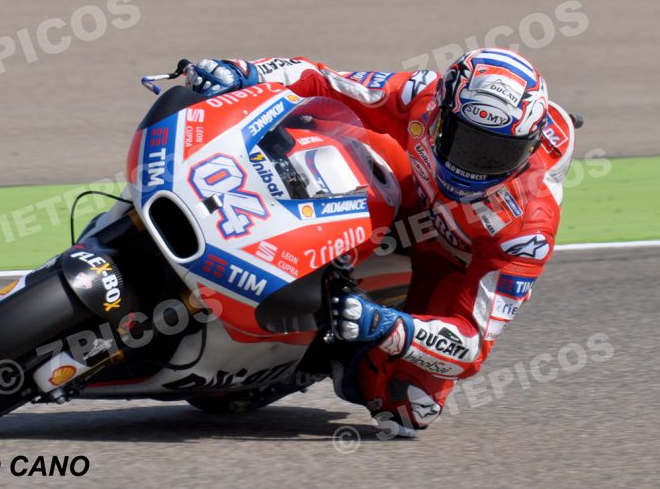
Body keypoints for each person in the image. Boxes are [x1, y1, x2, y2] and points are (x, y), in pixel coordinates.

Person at [186, 49, 575, 436]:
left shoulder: (529, 229)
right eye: (466, 143)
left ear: (528, 145)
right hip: (407, 190)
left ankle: (308, 355)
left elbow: (470, 347)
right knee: (315, 119)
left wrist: (386, 326)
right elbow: (325, 80)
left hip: (450, 262)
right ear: (441, 115)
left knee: (410, 408)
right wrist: (242, 72)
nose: (473, 166)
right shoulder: (422, 94)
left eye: (494, 155)